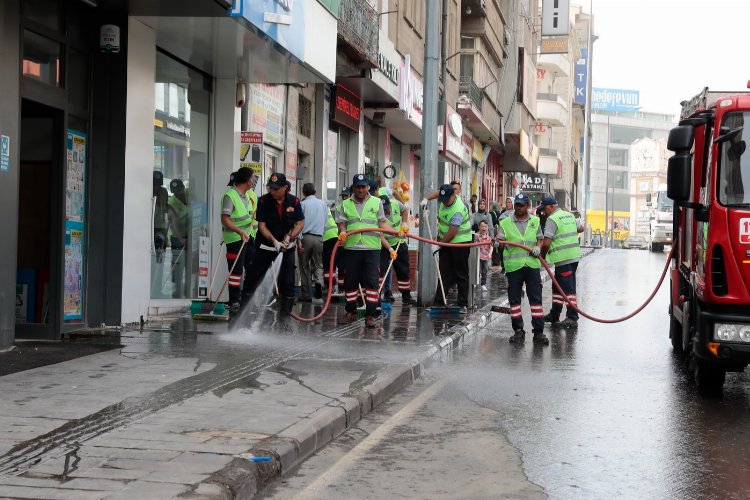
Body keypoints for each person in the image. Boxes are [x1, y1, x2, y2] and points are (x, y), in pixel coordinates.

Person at [243, 172, 304, 316]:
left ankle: (285, 315)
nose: (273, 191)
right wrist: (274, 241)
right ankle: (243, 310)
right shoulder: (263, 201)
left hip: (286, 248)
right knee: (252, 277)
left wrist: (290, 237)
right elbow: (262, 226)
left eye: (276, 189)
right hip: (265, 247)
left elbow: (300, 223)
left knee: (287, 281)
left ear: (285, 188)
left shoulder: (294, 202)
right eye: (271, 188)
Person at [338, 174, 394, 327]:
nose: (361, 189)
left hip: (371, 248)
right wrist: (342, 231)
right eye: (358, 186)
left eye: (363, 186)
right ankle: (350, 312)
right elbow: (342, 223)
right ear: (353, 188)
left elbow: (382, 224)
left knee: (372, 283)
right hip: (351, 247)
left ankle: (370, 315)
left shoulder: (377, 202)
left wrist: (397, 232)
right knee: (350, 282)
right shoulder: (346, 204)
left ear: (368, 187)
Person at [498, 193, 547, 345]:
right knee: (514, 301)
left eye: (522, 205)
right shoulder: (505, 222)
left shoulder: (535, 220)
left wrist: (538, 247)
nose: (518, 208)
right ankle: (518, 331)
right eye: (517, 205)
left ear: (527, 206)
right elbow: (500, 241)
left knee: (536, 300)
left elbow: (540, 238)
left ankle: (538, 333)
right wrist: (498, 242)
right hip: (514, 267)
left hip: (532, 265)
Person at [539, 196, 584, 329]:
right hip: (573, 256)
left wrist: (542, 256)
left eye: (545, 209)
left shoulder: (552, 219)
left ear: (552, 207)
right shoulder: (568, 215)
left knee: (568, 289)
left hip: (563, 258)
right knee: (558, 287)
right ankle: (555, 314)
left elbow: (546, 242)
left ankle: (572, 317)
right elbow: (581, 228)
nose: (544, 212)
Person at [429, 184, 472, 309]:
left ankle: (462, 303)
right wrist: (426, 199)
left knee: (461, 273)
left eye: (446, 199)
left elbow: (452, 232)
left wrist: (439, 245)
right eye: (442, 199)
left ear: (453, 195)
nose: (444, 202)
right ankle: (439, 301)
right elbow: (438, 192)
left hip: (460, 243)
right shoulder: (444, 197)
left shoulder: (457, 208)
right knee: (444, 272)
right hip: (446, 241)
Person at [220, 168, 257, 313]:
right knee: (236, 271)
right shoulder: (230, 195)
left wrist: (252, 215)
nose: (253, 181)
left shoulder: (246, 196)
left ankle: (247, 298)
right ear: (248, 181)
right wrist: (239, 231)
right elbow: (225, 219)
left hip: (248, 237)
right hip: (235, 239)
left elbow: (245, 216)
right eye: (253, 178)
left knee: (252, 269)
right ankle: (234, 301)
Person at [379, 195, 414, 305]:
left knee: (403, 271)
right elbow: (380, 236)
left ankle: (406, 297)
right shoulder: (376, 214)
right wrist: (389, 249)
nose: (386, 211)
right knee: (380, 270)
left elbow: (405, 209)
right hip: (384, 246)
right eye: (383, 210)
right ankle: (376, 297)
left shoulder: (395, 204)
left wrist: (404, 222)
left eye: (387, 208)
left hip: (400, 243)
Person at [297, 183, 327, 303]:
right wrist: (321, 237)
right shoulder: (323, 204)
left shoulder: (302, 204)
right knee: (318, 264)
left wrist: (299, 240)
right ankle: (319, 282)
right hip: (319, 237)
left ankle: (306, 294)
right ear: (315, 192)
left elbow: (299, 223)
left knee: (304, 266)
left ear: (303, 192)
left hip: (305, 237)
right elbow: (325, 222)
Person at [167, 178, 189, 297]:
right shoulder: (172, 202)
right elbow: (173, 222)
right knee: (178, 264)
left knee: (190, 264)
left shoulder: (189, 193)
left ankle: (188, 290)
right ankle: (177, 291)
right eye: (175, 191)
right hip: (178, 236)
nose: (178, 193)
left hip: (191, 233)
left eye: (179, 190)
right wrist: (181, 239)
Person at [152, 171, 169, 296]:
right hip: (150, 229)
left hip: (161, 228)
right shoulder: (147, 190)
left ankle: (157, 290)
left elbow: (165, 207)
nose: (157, 188)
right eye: (155, 185)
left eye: (159, 185)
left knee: (159, 261)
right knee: (150, 261)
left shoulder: (164, 192)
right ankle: (150, 289)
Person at [334, 186, 351, 292]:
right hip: (341, 241)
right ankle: (341, 288)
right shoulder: (338, 208)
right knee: (341, 266)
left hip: (352, 241)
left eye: (346, 195)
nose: (344, 197)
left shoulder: (354, 206)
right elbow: (338, 224)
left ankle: (349, 288)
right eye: (343, 196)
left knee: (350, 267)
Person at [475, 220, 493, 291]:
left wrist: (490, 253)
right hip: (477, 256)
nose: (484, 228)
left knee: (484, 271)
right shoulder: (476, 236)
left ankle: (483, 284)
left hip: (485, 257)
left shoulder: (489, 238)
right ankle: (475, 283)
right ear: (479, 227)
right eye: (482, 226)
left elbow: (491, 246)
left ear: (488, 228)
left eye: (485, 226)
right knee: (477, 270)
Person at [489, 202, 502, 267]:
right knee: (497, 245)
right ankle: (498, 261)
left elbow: (492, 223)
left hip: (494, 231)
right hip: (499, 230)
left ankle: (494, 262)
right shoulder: (499, 213)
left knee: (493, 245)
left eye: (490, 206)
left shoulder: (491, 213)